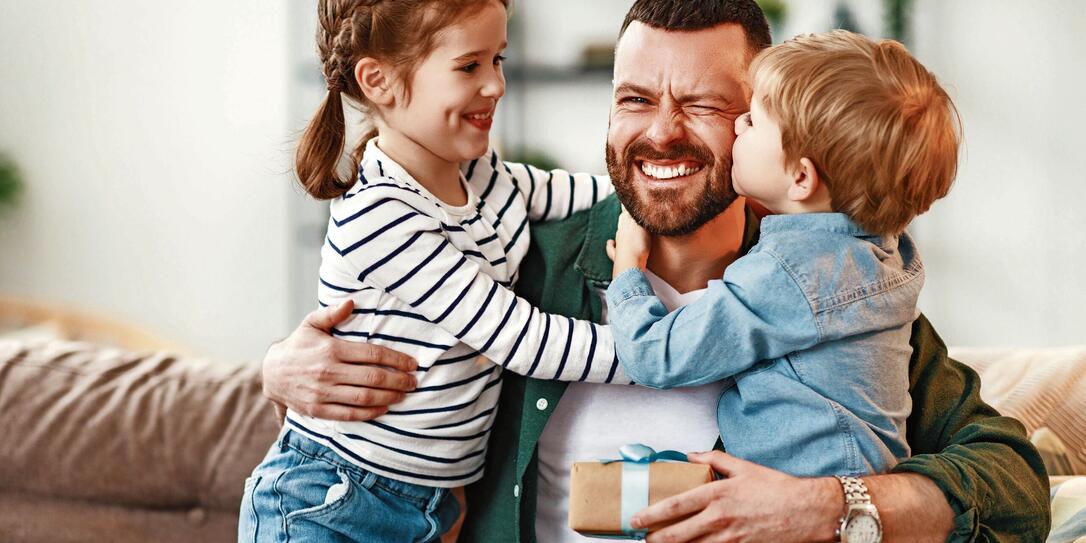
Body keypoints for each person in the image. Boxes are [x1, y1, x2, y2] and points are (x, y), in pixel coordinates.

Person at [261, 1, 1051, 541]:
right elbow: (358, 432)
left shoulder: (836, 291)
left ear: (772, 125)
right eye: (635, 98)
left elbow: (1013, 483)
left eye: (706, 105)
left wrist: (822, 507)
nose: (662, 133)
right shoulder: (524, 263)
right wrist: (276, 369)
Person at [238, 0, 632, 541]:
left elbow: (571, 193)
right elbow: (520, 337)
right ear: (379, 81)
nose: (496, 84)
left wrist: (652, 188)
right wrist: (652, 352)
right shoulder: (380, 215)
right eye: (469, 66)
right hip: (334, 500)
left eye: (498, 59)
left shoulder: (480, 174)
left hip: (427, 506)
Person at [605, 29, 959, 480]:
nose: (737, 125)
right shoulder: (886, 256)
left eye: (752, 120)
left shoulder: (788, 274)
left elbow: (655, 356)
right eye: (635, 99)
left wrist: (628, 269)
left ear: (800, 178)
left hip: (803, 501)